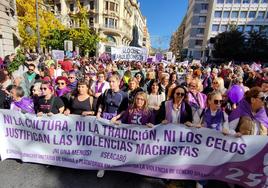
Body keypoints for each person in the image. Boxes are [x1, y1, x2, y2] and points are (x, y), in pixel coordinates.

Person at [96, 73, 128, 178]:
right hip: (104, 118)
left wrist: (117, 117)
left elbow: (124, 109)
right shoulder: (106, 92)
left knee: (114, 143)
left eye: (113, 81)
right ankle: (102, 166)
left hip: (115, 120)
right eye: (110, 81)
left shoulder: (124, 95)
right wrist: (99, 112)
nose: (111, 83)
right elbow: (101, 104)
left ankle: (115, 164)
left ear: (119, 82)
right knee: (104, 142)